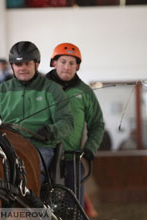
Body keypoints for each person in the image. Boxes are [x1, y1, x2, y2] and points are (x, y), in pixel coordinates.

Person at [0, 41, 74, 184]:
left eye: (27, 64)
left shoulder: (53, 90)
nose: (23, 68)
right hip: (5, 147)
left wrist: (50, 131)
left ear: (37, 64)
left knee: (26, 177)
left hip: (39, 147)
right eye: (18, 64)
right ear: (12, 66)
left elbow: (67, 122)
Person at [46, 42, 105, 206]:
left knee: (74, 209)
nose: (67, 67)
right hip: (43, 158)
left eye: (72, 63)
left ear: (77, 66)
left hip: (72, 159)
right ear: (54, 63)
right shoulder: (39, 88)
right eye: (63, 61)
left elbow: (97, 123)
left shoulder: (85, 92)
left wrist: (90, 148)